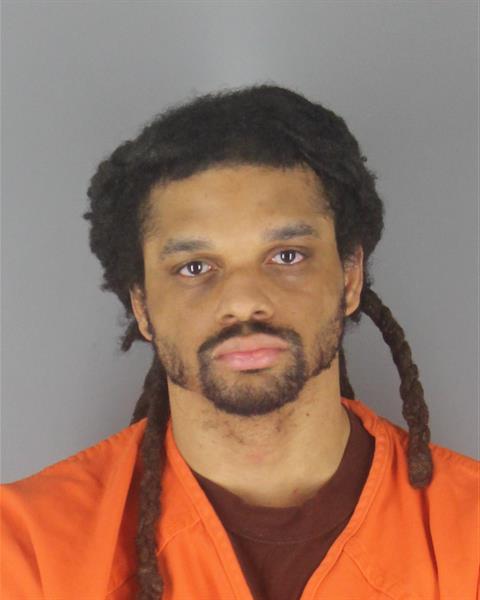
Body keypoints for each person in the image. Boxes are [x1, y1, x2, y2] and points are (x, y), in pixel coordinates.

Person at [1, 85, 478, 600]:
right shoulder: (28, 548)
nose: (244, 301)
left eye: (287, 256)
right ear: (141, 306)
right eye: (194, 267)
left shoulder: (468, 534)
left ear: (350, 277)